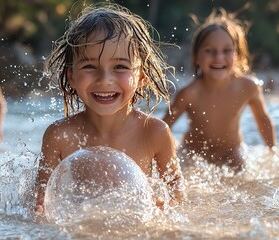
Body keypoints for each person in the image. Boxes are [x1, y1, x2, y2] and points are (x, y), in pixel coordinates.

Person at [35, 3, 186, 213]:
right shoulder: (59, 135)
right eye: (89, 66)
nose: (105, 80)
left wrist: (164, 206)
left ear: (141, 76)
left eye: (120, 67)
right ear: (72, 77)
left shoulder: (154, 133)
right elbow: (40, 201)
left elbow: (177, 190)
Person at [163, 8, 276, 172]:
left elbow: (263, 120)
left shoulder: (248, 87)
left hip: (232, 152)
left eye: (227, 51)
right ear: (196, 56)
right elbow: (164, 127)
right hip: (194, 153)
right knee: (189, 177)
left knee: (246, 178)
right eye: (210, 51)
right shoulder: (189, 94)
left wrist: (272, 152)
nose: (218, 58)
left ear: (237, 55)